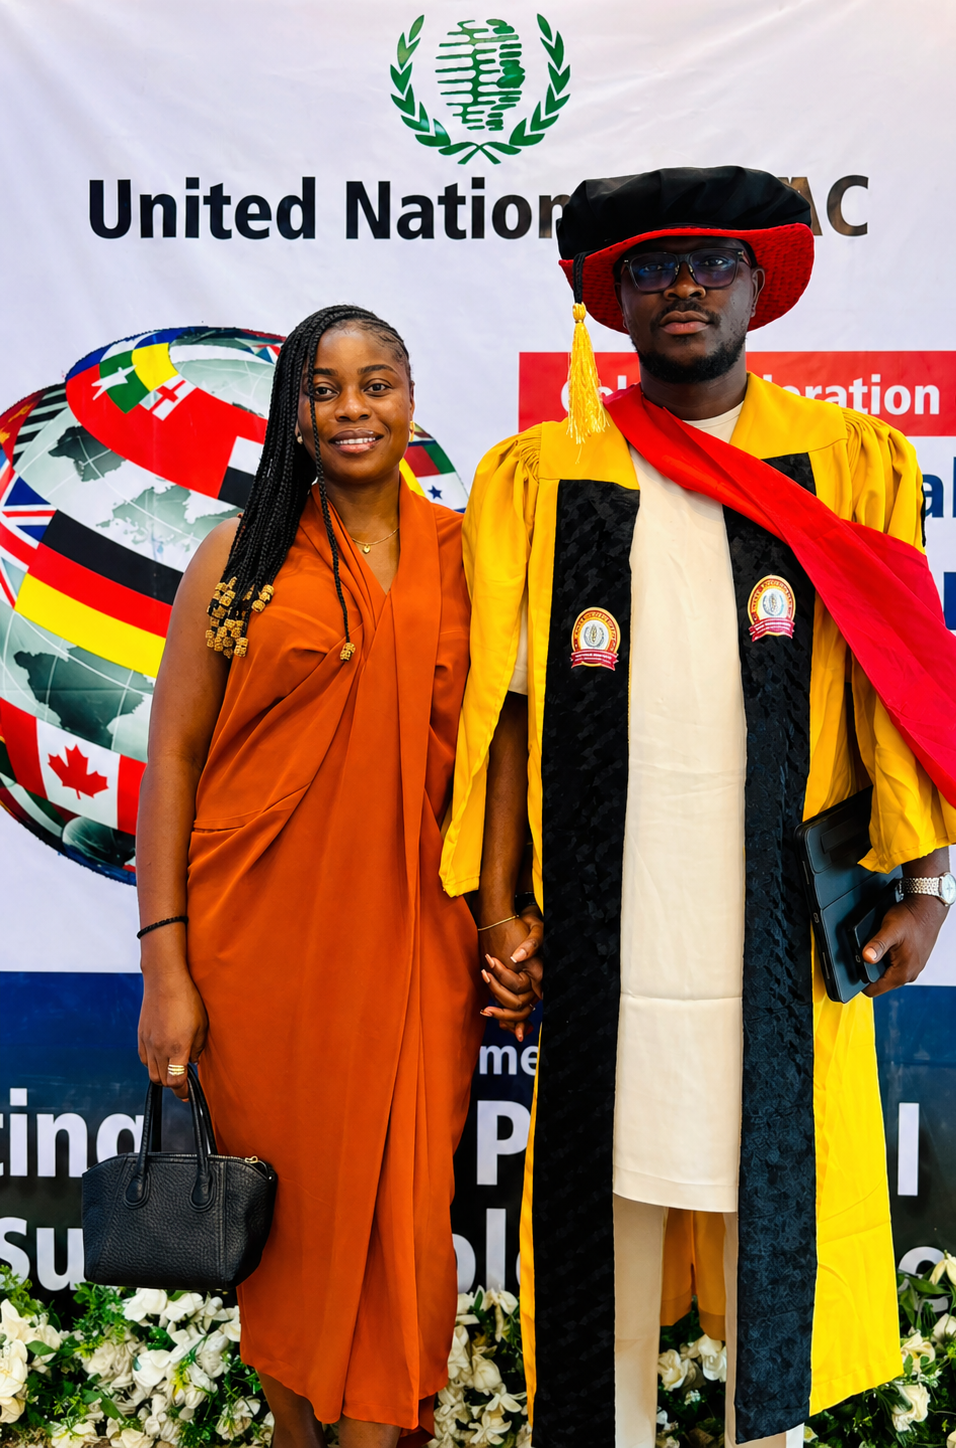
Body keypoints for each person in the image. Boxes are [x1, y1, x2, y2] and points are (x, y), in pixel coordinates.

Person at [440, 168, 956, 1447]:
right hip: (602, 922)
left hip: (781, 919)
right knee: (600, 1204)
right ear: (611, 298)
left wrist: (928, 881)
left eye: (713, 265)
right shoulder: (539, 475)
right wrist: (506, 905)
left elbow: (905, 680)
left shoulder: (846, 461)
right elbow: (507, 712)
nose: (684, 287)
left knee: (773, 1189)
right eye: (652, 268)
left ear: (760, 287)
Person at [135, 304, 507, 1448]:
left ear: (411, 396)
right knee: (290, 1235)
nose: (353, 408)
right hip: (262, 962)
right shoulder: (236, 559)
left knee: (404, 1214)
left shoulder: (469, 555)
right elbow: (176, 759)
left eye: (378, 382)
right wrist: (166, 966)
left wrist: (504, 923)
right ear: (291, 411)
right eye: (326, 388)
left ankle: (384, 1430)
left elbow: (500, 757)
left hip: (417, 953)